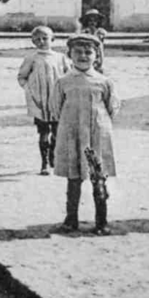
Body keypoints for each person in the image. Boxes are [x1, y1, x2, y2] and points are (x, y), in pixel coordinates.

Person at [52, 34, 120, 234]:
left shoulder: (104, 81)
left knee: (98, 177)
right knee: (73, 177)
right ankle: (70, 220)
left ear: (96, 56)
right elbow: (55, 108)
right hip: (72, 134)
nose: (83, 56)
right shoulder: (63, 82)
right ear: (69, 55)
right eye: (78, 52)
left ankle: (101, 222)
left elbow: (112, 107)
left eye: (88, 52)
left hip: (97, 135)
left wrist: (97, 123)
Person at [18, 25, 69, 175]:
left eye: (45, 38)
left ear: (52, 39)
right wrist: (30, 90)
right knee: (43, 133)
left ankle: (54, 155)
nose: (41, 42)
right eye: (37, 39)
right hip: (40, 103)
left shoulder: (60, 57)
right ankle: (44, 162)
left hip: (58, 101)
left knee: (58, 132)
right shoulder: (31, 58)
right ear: (33, 41)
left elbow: (69, 75)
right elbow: (22, 77)